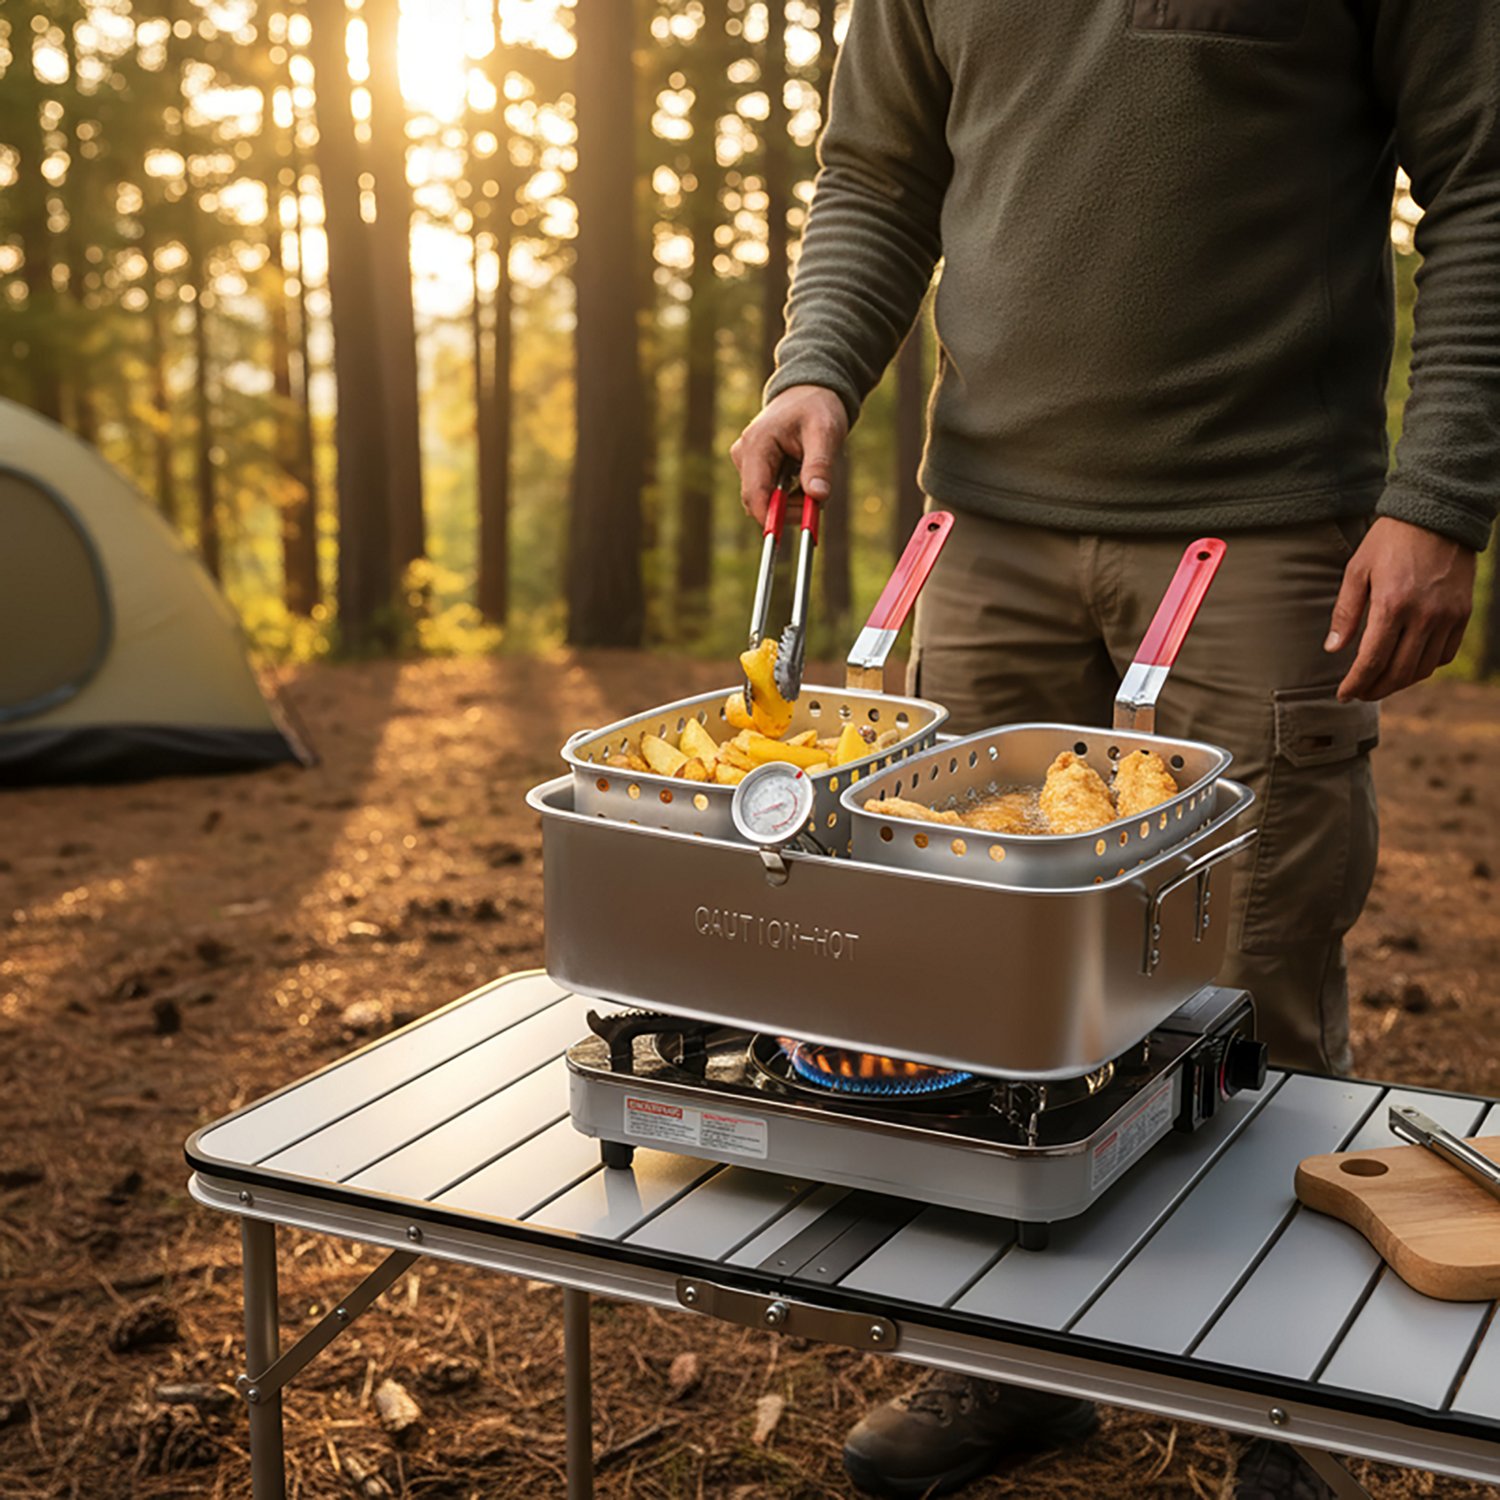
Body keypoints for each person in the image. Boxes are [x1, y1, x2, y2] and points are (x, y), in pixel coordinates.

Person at [731, 2, 1497, 1496]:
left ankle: (1280, 1409)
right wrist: (814, 365)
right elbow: (880, 172)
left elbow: (1483, 180)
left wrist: (1444, 490)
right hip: (985, 528)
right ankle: (1002, 1368)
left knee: (1253, 968)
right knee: (973, 968)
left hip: (1263, 529)